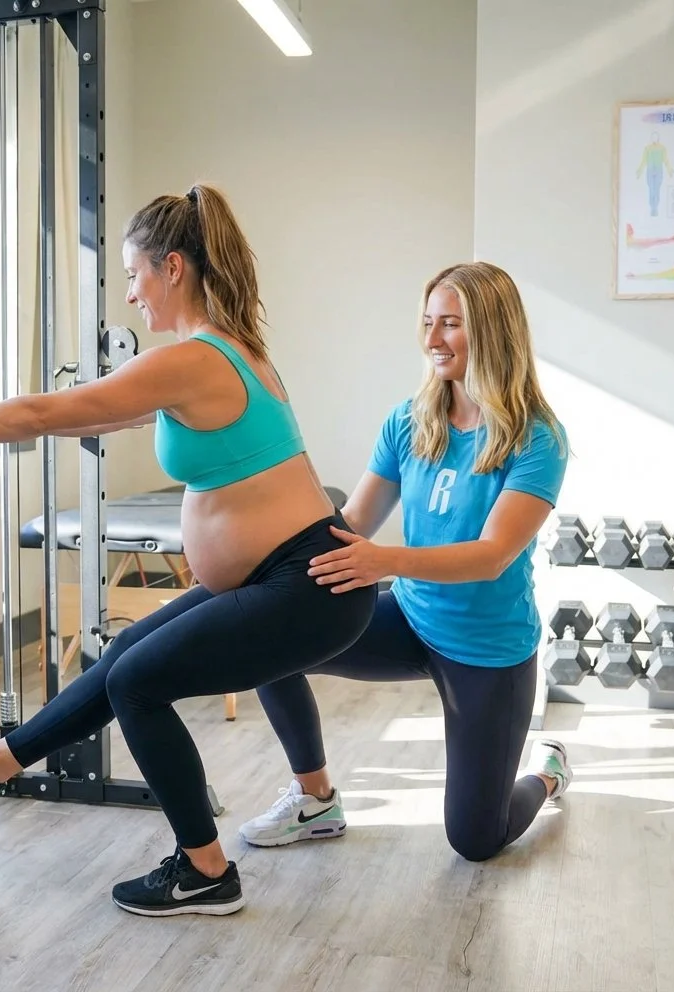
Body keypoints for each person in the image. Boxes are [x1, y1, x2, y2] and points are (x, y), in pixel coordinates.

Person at [0, 183, 376, 917]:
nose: (130, 292)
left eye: (134, 273)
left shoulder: (198, 359)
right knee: (120, 656)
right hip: (288, 575)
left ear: (172, 267)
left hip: (306, 582)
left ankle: (205, 871)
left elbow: (48, 411)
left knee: (137, 681)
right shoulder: (219, 354)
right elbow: (78, 414)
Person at [238, 261, 571, 863]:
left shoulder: (536, 438)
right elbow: (353, 525)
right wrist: (277, 485)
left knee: (476, 840)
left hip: (486, 649)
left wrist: (381, 562)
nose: (432, 339)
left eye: (451, 324)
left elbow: (492, 556)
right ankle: (315, 801)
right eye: (427, 323)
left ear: (492, 332)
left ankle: (547, 773)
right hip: (409, 621)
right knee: (264, 631)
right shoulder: (409, 420)